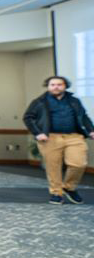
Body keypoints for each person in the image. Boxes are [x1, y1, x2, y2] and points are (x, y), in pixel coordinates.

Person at [23, 76, 94, 205]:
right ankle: (56, 192)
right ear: (48, 86)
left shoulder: (74, 101)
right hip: (50, 138)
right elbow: (28, 118)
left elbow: (83, 117)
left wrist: (91, 130)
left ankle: (69, 187)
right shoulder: (39, 102)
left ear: (65, 86)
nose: (56, 87)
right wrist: (38, 133)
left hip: (74, 137)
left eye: (59, 84)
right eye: (52, 84)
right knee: (53, 166)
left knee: (79, 163)